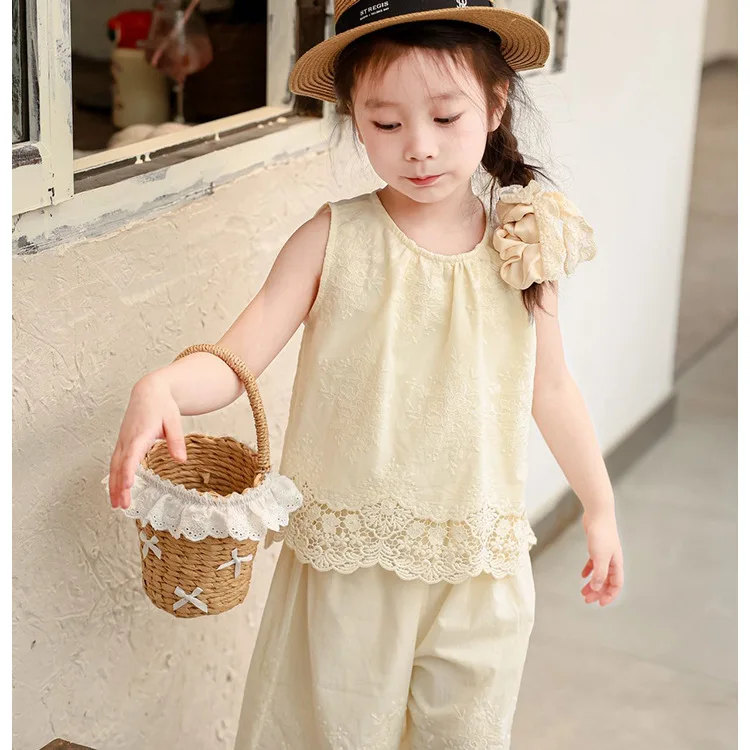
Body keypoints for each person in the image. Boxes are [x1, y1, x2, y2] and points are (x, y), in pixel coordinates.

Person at [108, 1, 625, 747]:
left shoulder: (523, 243)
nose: (419, 148)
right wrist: (162, 387)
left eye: (446, 118)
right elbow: (235, 362)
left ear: (494, 102)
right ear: (354, 117)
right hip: (349, 575)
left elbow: (551, 390)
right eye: (386, 125)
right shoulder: (332, 237)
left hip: (476, 569)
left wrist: (599, 507)